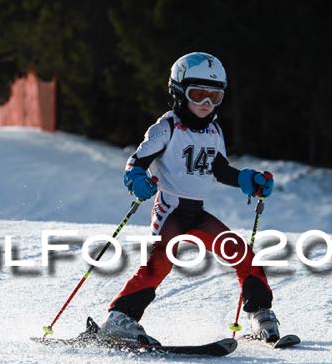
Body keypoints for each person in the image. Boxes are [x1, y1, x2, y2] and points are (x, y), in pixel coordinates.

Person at [98, 52, 281, 345]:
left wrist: (248, 181)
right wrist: (135, 180)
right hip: (170, 209)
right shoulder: (166, 127)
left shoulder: (214, 130)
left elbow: (220, 169)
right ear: (179, 93)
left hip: (196, 213)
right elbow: (137, 162)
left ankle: (261, 314)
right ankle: (119, 319)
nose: (206, 105)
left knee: (242, 253)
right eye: (198, 95)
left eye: (215, 97)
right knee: (160, 263)